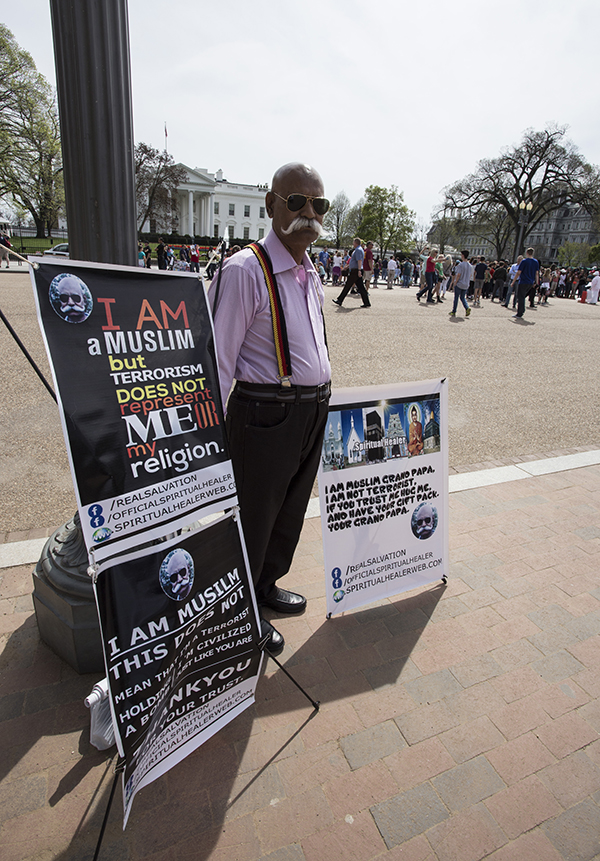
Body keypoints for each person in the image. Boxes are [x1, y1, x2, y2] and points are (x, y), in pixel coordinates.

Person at [210, 162, 331, 655]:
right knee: (254, 519)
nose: (308, 213)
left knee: (288, 513)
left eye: (318, 204)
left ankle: (264, 587)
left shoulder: (311, 273)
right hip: (265, 414)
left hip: (308, 413)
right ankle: (240, 614)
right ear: (271, 205)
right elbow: (217, 357)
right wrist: (208, 436)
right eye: (296, 201)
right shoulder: (244, 269)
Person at [333, 237, 371, 307]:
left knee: (348, 285)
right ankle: (366, 302)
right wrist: (348, 266)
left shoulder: (358, 250)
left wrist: (359, 270)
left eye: (353, 242)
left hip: (355, 270)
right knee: (361, 287)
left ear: (355, 243)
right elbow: (354, 261)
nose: (353, 244)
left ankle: (340, 300)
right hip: (356, 269)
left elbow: (359, 261)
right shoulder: (358, 250)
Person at [512, 247, 539, 319]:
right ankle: (521, 310)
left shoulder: (524, 261)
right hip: (530, 282)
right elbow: (537, 273)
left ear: (526, 253)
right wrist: (537, 282)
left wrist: (513, 281)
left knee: (520, 297)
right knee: (523, 296)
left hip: (523, 281)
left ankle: (520, 312)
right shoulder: (535, 262)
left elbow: (518, 272)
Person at [449, 250, 472, 318]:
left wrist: (455, 282)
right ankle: (466, 307)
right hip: (466, 283)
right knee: (462, 297)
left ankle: (454, 311)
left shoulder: (461, 265)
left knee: (456, 297)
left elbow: (458, 274)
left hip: (460, 283)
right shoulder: (470, 265)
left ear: (463, 255)